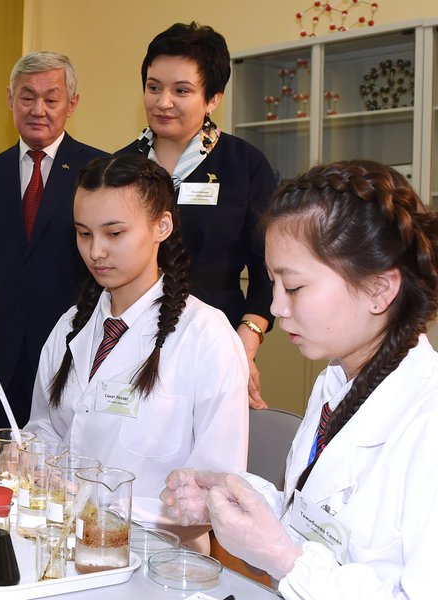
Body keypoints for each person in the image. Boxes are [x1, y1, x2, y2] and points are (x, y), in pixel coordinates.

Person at [161, 161, 438, 598]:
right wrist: (229, 497)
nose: (275, 308)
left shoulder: (427, 420)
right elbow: (313, 520)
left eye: (293, 288)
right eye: (272, 283)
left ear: (380, 290)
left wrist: (282, 557)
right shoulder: (337, 381)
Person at [24, 154, 248, 538]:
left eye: (114, 234)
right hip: (64, 537)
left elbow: (215, 490)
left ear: (162, 226)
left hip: (157, 550)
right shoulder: (70, 328)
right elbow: (45, 427)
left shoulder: (206, 336)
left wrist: (106, 511)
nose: (96, 251)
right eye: (84, 234)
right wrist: (35, 462)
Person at [117, 22, 276, 409]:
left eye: (181, 90)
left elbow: (268, 269)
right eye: (154, 87)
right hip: (130, 340)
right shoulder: (120, 168)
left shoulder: (244, 165)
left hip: (215, 341)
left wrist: (245, 342)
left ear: (213, 98)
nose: (163, 101)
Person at [0, 51, 107, 429]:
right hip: (2, 358)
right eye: (27, 97)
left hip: (75, 351)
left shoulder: (100, 172)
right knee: (4, 455)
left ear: (72, 104)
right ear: (10, 99)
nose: (38, 109)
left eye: (51, 99)